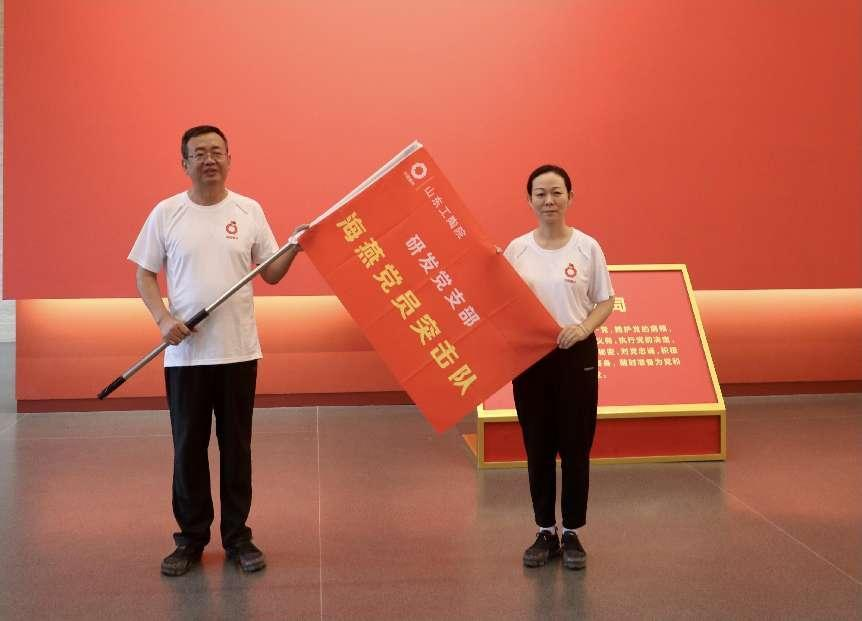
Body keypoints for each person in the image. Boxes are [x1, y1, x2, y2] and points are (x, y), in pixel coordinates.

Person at [129, 125, 306, 576]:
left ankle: (238, 537)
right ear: (184, 163)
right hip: (186, 356)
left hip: (238, 352)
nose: (209, 160)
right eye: (199, 153)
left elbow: (271, 273)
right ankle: (190, 539)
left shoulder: (248, 210)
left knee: (236, 448)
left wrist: (295, 246)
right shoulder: (167, 213)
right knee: (188, 448)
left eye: (217, 152)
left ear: (229, 158)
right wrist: (163, 320)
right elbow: (144, 274)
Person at [503, 164, 614, 570]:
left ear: (569, 197)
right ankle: (545, 530)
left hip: (576, 356)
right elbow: (501, 302)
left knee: (575, 446)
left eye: (556, 193)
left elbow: (605, 300)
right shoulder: (516, 250)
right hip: (531, 359)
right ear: (529, 200)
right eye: (540, 194)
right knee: (537, 445)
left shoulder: (587, 247)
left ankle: (572, 533)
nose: (549, 201)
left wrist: (583, 328)